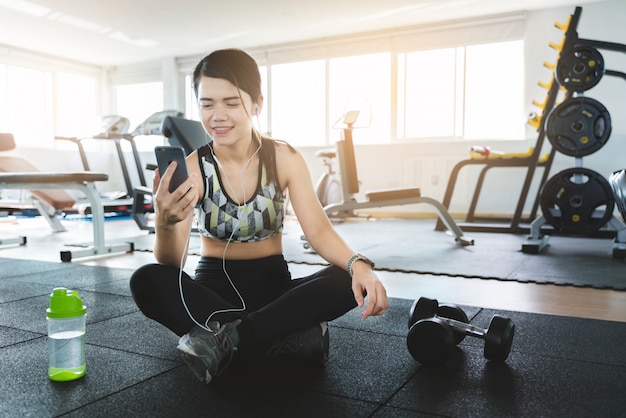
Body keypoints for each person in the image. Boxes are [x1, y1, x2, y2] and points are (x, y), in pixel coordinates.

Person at [129, 48, 388, 384]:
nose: (218, 115)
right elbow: (170, 264)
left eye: (231, 103)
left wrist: (360, 266)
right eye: (207, 104)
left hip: (275, 291)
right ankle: (277, 337)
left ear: (256, 104)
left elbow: (319, 232)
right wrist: (164, 221)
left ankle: (228, 340)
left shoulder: (284, 157)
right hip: (213, 295)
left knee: (344, 279)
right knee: (146, 279)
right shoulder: (192, 167)